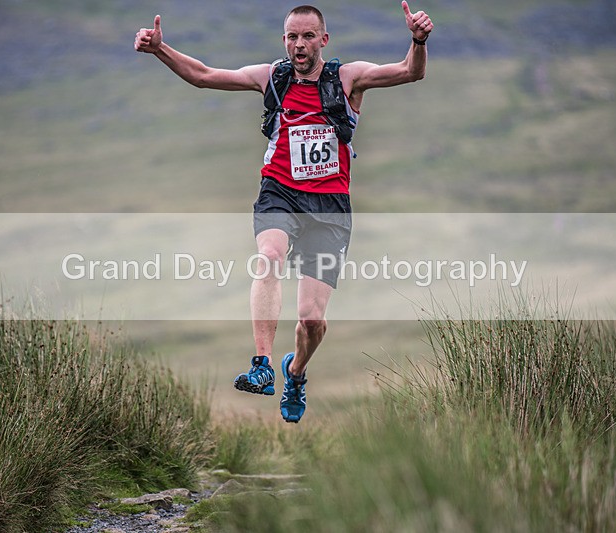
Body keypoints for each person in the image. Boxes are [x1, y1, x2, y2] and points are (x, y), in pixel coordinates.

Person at [135, 2, 432, 423]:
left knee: (312, 321)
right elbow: (203, 76)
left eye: (308, 36)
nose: (299, 44)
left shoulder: (347, 78)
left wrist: (417, 41)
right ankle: (261, 367)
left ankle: (295, 372)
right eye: (292, 36)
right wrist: (161, 50)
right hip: (279, 192)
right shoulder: (271, 77)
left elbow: (410, 71)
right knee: (269, 257)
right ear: (284, 40)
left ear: (323, 40)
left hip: (329, 208)